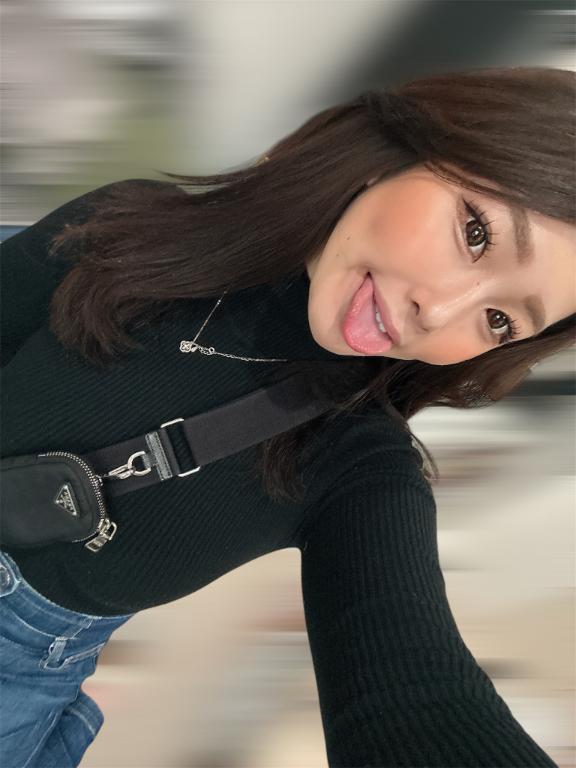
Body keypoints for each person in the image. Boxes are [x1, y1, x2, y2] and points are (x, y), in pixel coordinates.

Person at [1, 65, 574, 767]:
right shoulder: (130, 225)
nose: (441, 311)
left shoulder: (354, 460)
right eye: (477, 233)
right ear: (401, 151)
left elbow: (416, 696)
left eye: (499, 319)